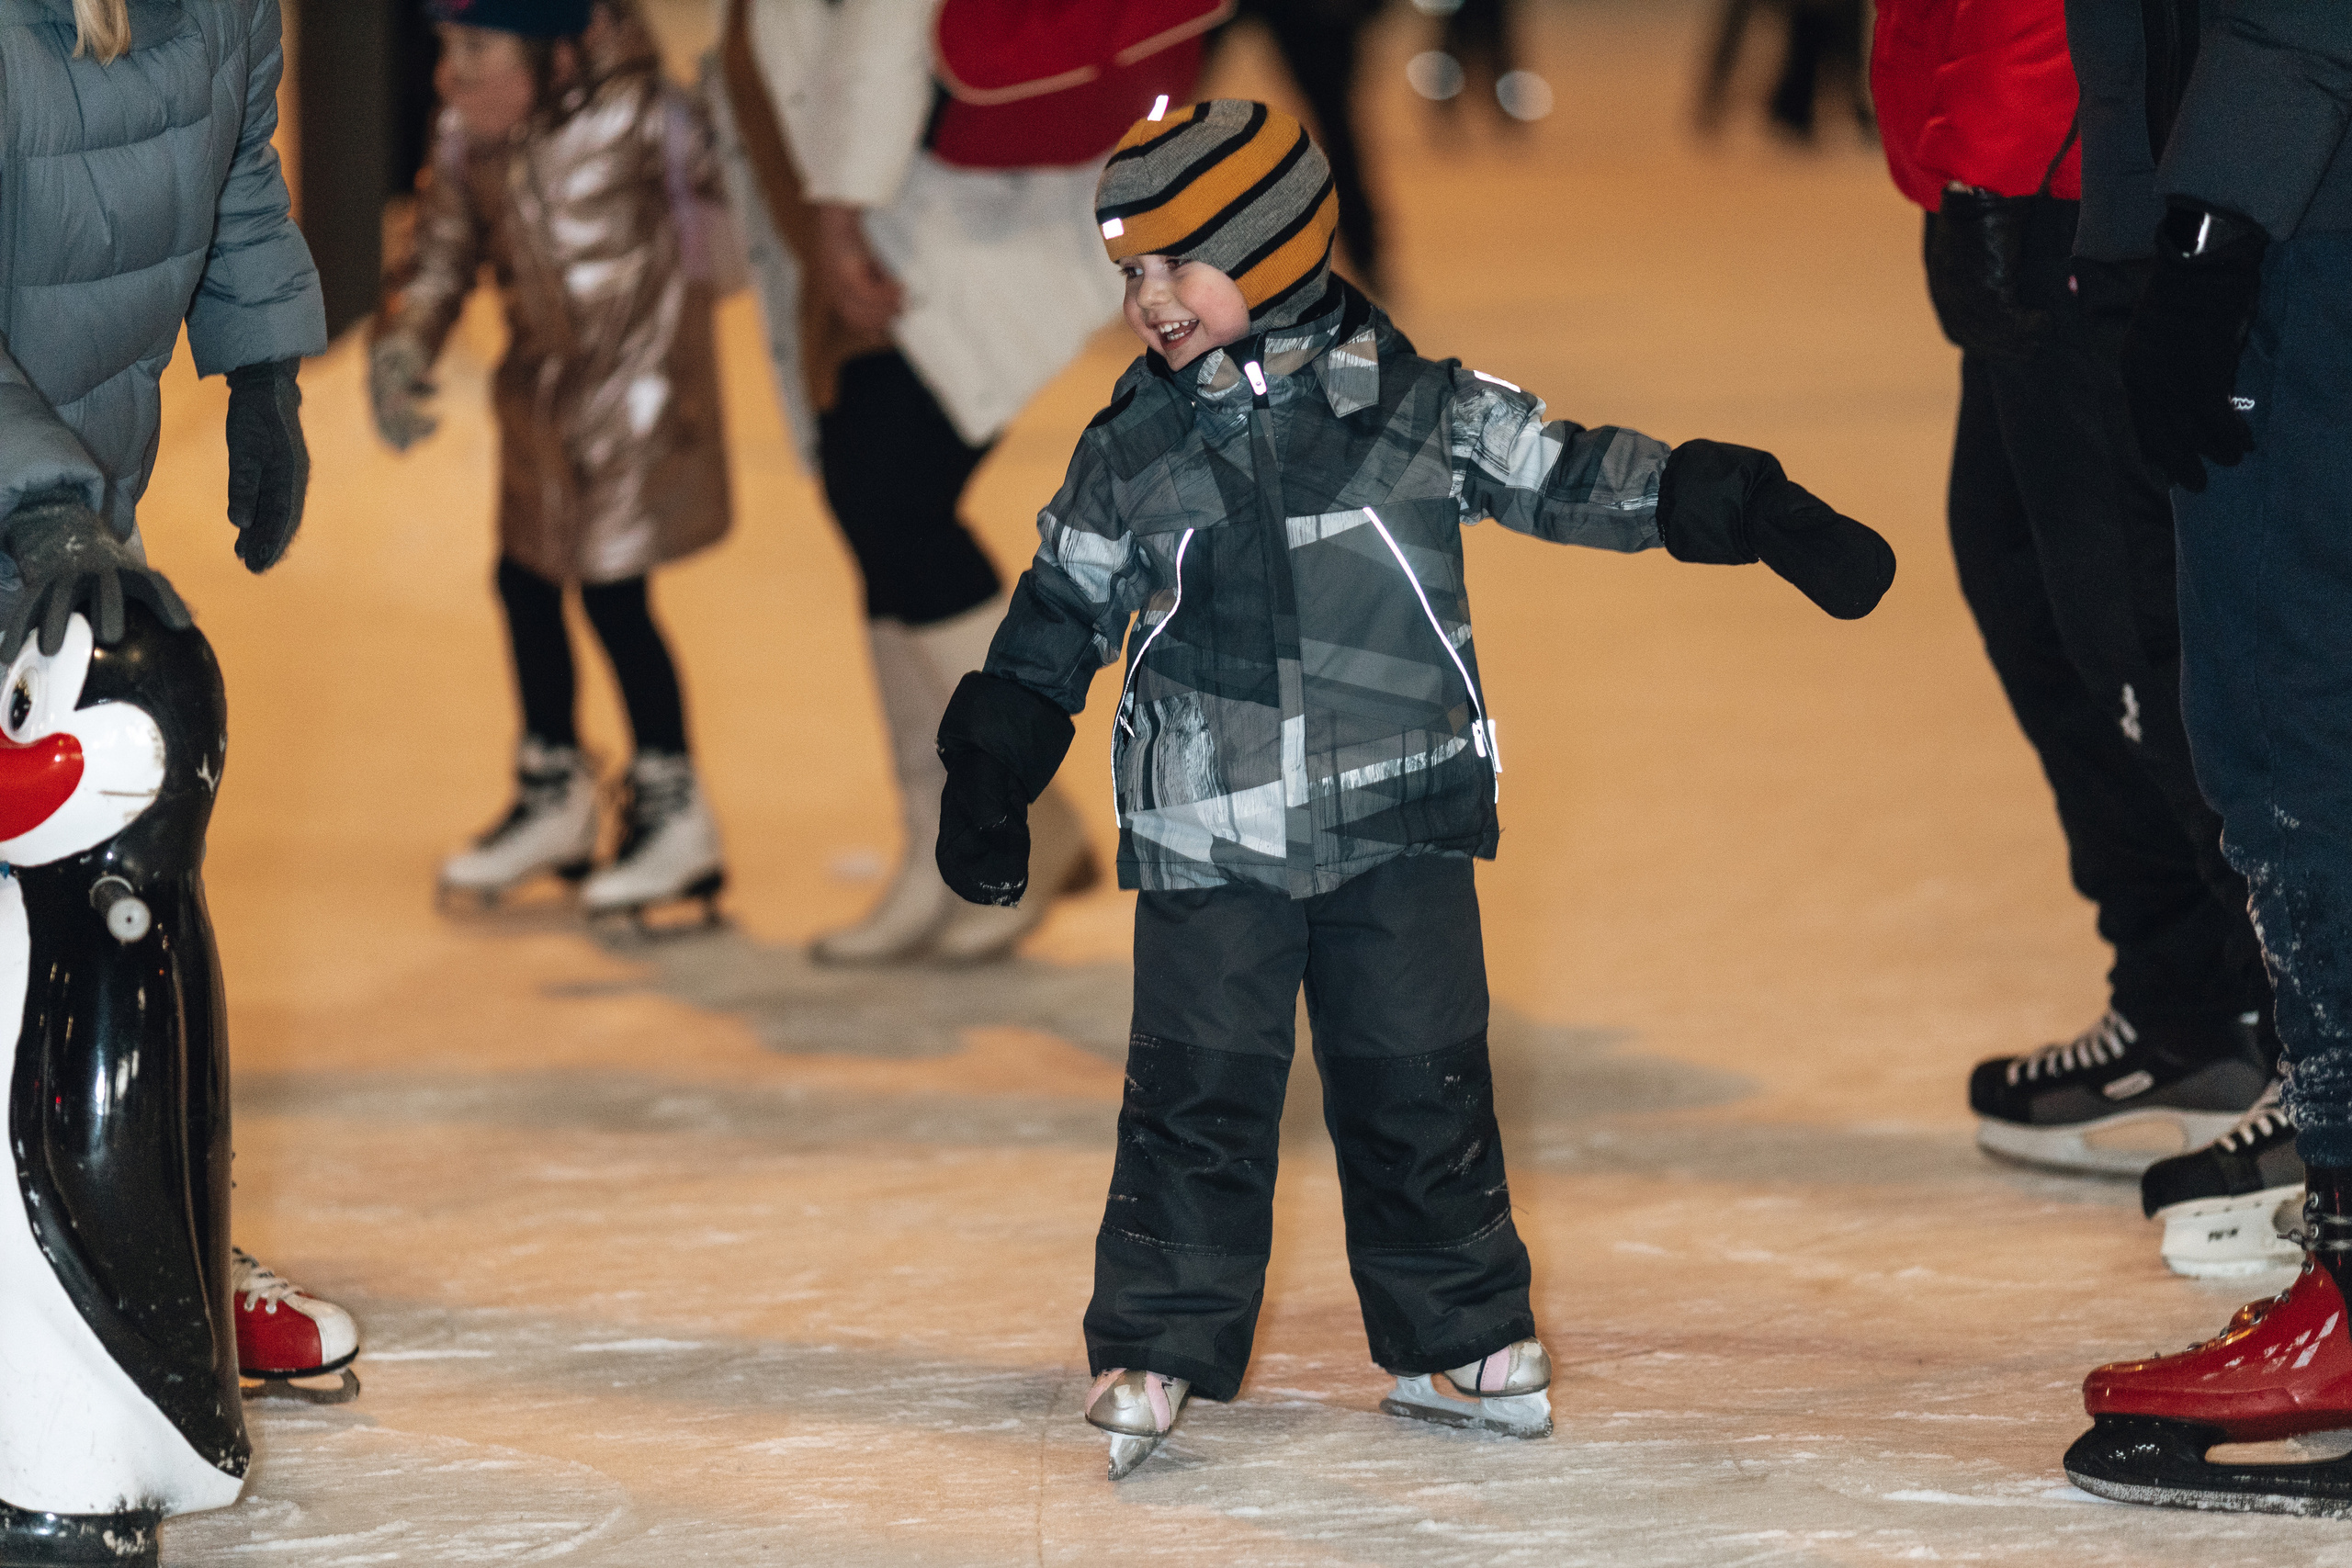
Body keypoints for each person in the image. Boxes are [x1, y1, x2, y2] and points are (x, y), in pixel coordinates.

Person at [930, 100, 1897, 1479]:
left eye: (1174, 263)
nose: (1146, 300)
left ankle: (1459, 1335)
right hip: (1209, 834)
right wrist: (994, 759)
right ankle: (1155, 1336)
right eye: (1130, 272)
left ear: (1269, 247)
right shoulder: (1132, 448)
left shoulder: (1412, 405)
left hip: (1403, 818)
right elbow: (1060, 606)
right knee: (1196, 1094)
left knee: (1420, 1083)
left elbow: (1569, 471)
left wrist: (1732, 502)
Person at [0, 0, 357, 1543]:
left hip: (66, 493)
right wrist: (40, 499)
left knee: (105, 876)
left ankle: (137, 1269)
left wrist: (260, 358)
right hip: (38, 492)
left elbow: (241, 166)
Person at [1869, 0, 2277, 1224]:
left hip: (2083, 166)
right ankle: (2190, 998)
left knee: (2134, 617)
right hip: (2015, 160)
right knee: (2028, 582)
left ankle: (2308, 1052)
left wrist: (1997, 168)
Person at [2057, 0, 2352, 1517]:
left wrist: (2212, 222)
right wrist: (2137, 221)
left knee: (2296, 734)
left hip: (2305, 204)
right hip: (2258, 177)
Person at [712, 0, 1134, 965]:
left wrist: (837, 215)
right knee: (878, 516)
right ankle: (944, 839)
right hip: (896, 218)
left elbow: (882, 26)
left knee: (892, 507)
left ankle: (1002, 824)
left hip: (937, 219)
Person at [373, 0, 732, 924]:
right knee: (523, 581)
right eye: (447, 47)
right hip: (540, 402)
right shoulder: (467, 131)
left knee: (615, 594)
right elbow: (443, 247)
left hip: (642, 401)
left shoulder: (644, 113)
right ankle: (555, 789)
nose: (454, 70)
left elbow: (732, 218)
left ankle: (673, 805)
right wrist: (407, 342)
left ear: (556, 49)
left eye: (479, 47)